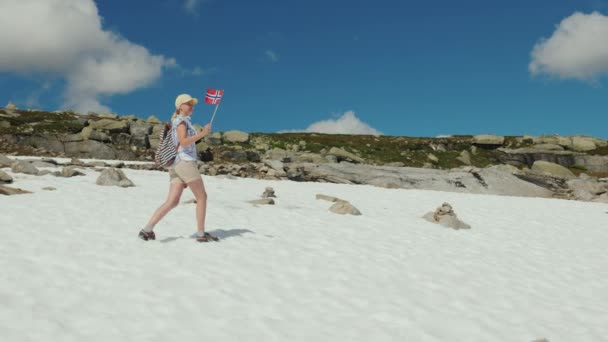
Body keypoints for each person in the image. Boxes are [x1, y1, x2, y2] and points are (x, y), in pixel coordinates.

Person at [138, 94, 218, 242]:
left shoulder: (178, 121)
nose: (191, 106)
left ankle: (147, 230)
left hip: (175, 165)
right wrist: (202, 133)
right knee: (202, 197)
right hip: (185, 162)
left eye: (192, 104)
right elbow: (184, 142)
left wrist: (200, 133)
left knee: (172, 201)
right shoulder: (181, 122)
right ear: (180, 106)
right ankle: (201, 234)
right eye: (188, 104)